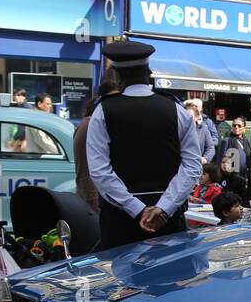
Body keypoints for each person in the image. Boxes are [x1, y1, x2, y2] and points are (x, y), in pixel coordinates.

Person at [85, 40, 201, 248]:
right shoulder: (177, 110)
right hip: (168, 218)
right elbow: (192, 167)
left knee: (121, 280)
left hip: (121, 221)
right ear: (149, 72)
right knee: (169, 277)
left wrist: (138, 209)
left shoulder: (103, 111)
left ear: (116, 76)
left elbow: (100, 172)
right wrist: (164, 208)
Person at [73, 79, 121, 214]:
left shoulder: (97, 123)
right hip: (94, 203)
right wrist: (95, 208)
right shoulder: (90, 125)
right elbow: (86, 174)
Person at [215, 117, 250, 193]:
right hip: (229, 178)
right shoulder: (226, 141)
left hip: (243, 177)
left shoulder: (247, 142)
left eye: (239, 125)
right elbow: (220, 160)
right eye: (234, 125)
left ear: (244, 128)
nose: (236, 127)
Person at [182, 98, 218, 164]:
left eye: (190, 117)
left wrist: (205, 158)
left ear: (196, 118)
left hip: (197, 165)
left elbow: (210, 147)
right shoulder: (179, 128)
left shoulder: (203, 128)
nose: (187, 119)